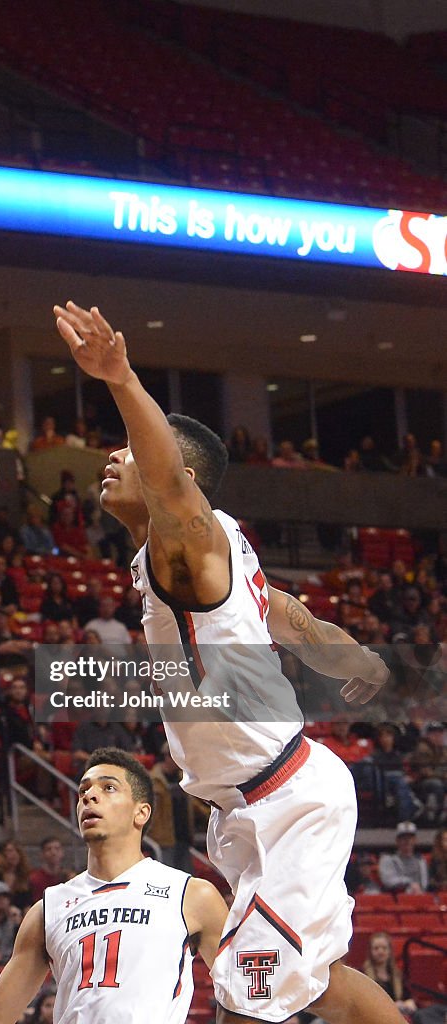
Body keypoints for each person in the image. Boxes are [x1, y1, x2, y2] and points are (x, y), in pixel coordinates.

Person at [55, 299, 401, 1023]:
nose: (110, 459)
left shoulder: (189, 540)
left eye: (128, 449)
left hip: (287, 799)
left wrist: (119, 378)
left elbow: (172, 485)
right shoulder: (220, 551)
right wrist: (360, 658)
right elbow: (292, 616)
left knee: (245, 996)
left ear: (171, 470)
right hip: (244, 806)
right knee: (319, 980)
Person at [0, 748, 229, 1024]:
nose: (89, 796)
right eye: (83, 790)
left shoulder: (191, 895)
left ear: (140, 813)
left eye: (108, 788)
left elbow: (245, 996)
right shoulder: (48, 908)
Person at [361, 932, 417, 1017]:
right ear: (370, 951)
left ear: (390, 951)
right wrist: (393, 1006)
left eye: (384, 948)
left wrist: (408, 1004)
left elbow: (408, 998)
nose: (380, 951)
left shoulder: (398, 975)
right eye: (376, 948)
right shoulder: (363, 975)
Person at [378, 821, 429, 893]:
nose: (407, 841)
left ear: (415, 840)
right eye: (403, 838)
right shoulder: (387, 859)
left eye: (410, 838)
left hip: (418, 897)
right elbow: (388, 880)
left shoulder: (421, 860)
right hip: (395, 898)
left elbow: (424, 884)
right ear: (397, 840)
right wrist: (409, 883)